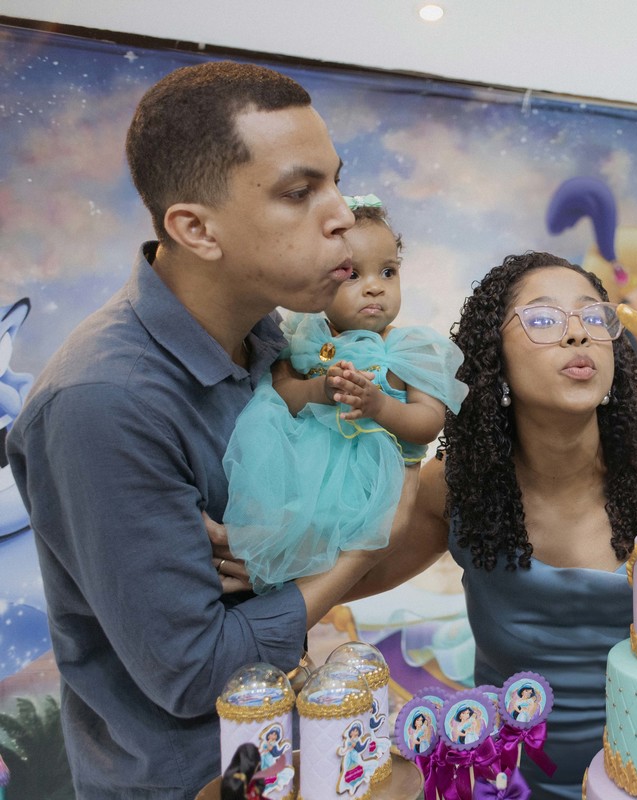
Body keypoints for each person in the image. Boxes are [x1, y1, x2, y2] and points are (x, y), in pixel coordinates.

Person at [5, 61, 413, 799]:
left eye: (335, 182)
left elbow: (294, 555)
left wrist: (290, 555)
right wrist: (364, 540)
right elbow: (197, 672)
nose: (341, 217)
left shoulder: (271, 341)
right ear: (195, 228)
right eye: (299, 192)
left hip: (303, 752)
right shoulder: (104, 403)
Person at [353, 251, 637, 798]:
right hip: (504, 786)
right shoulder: (457, 487)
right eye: (543, 319)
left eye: (594, 317)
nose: (578, 334)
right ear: (494, 359)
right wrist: (266, 565)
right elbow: (349, 578)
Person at [222, 194, 466, 592]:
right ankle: (259, 574)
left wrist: (379, 405)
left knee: (334, 549)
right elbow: (280, 395)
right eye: (353, 275)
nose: (374, 288)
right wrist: (319, 389)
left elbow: (428, 423)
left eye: (388, 272)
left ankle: (284, 587)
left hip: (370, 485)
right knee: (278, 527)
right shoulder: (303, 336)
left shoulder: (409, 348)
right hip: (301, 472)